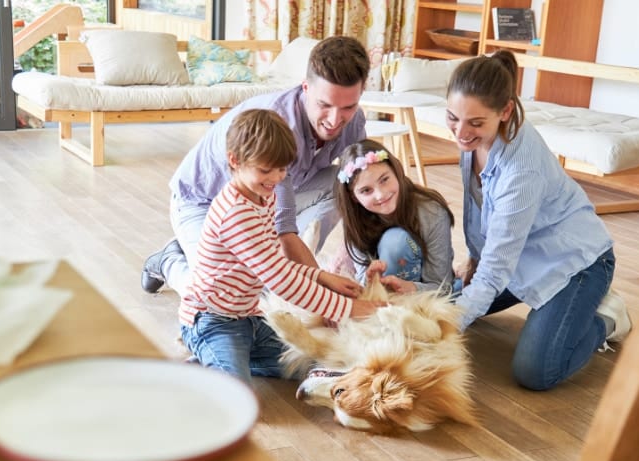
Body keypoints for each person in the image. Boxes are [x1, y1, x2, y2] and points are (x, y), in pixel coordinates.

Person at [445, 50, 631, 391]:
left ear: (505, 111)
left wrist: (441, 331)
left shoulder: (522, 170)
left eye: (474, 123)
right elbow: (476, 207)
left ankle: (607, 318)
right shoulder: (472, 135)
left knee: (536, 371)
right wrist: (473, 259)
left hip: (575, 264)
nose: (460, 132)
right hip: (518, 260)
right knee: (444, 303)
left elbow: (496, 270)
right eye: (453, 117)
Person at [141, 35, 371, 296]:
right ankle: (170, 260)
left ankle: (286, 274)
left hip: (264, 199)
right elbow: (284, 229)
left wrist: (356, 265)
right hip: (202, 203)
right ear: (306, 88)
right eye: (324, 105)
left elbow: (365, 192)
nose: (334, 119)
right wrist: (323, 290)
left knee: (345, 183)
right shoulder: (281, 127)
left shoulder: (353, 122)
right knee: (220, 296)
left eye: (348, 107)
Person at [179, 109, 382, 384]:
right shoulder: (236, 213)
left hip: (247, 318)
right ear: (234, 161)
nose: (275, 178)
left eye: (282, 169)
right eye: (265, 170)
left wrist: (322, 276)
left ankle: (221, 358)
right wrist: (347, 309)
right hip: (211, 320)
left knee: (304, 363)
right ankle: (209, 355)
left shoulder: (264, 197)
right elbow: (280, 280)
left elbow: (276, 261)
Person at [333, 139, 457, 295]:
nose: (380, 194)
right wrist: (370, 281)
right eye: (366, 190)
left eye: (384, 180)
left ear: (396, 171)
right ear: (354, 197)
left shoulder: (431, 213)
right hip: (383, 297)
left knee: (395, 242)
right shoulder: (355, 220)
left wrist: (410, 288)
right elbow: (362, 282)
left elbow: (442, 287)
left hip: (425, 294)